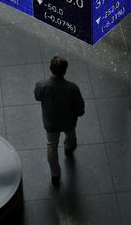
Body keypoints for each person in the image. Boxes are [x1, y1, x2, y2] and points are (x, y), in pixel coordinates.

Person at [34, 55, 85, 186]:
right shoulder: (72, 88)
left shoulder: (42, 86)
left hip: (51, 124)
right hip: (69, 122)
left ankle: (55, 175)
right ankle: (69, 148)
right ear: (65, 71)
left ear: (50, 68)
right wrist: (78, 113)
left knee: (51, 146)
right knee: (71, 136)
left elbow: (37, 97)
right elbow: (80, 108)